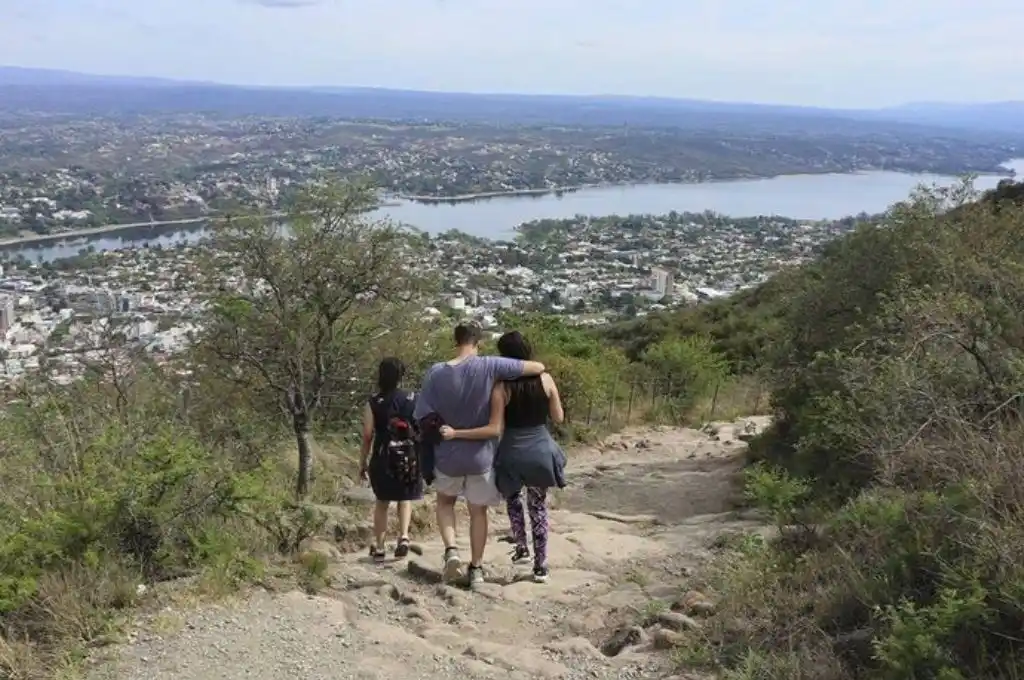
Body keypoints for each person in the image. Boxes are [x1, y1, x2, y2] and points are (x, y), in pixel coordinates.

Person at [414, 321, 546, 587]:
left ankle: (451, 550)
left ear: (456, 341)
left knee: (445, 503)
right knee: (478, 513)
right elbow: (537, 368)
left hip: (447, 454)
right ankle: (476, 569)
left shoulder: (435, 372)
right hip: (481, 457)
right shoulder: (490, 365)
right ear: (479, 342)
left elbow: (421, 413)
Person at [442, 331, 566, 583]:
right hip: (541, 448)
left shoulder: (501, 387)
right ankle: (540, 566)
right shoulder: (546, 379)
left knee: (513, 499)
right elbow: (558, 418)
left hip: (512, 451)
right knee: (538, 506)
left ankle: (521, 545)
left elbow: (496, 426)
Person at [358, 357, 422, 563]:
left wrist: (363, 461)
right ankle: (403, 537)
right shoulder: (413, 398)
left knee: (382, 502)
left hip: (383, 456)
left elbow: (367, 434)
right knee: (405, 498)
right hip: (408, 455)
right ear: (401, 375)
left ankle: (379, 547)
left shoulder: (374, 401)